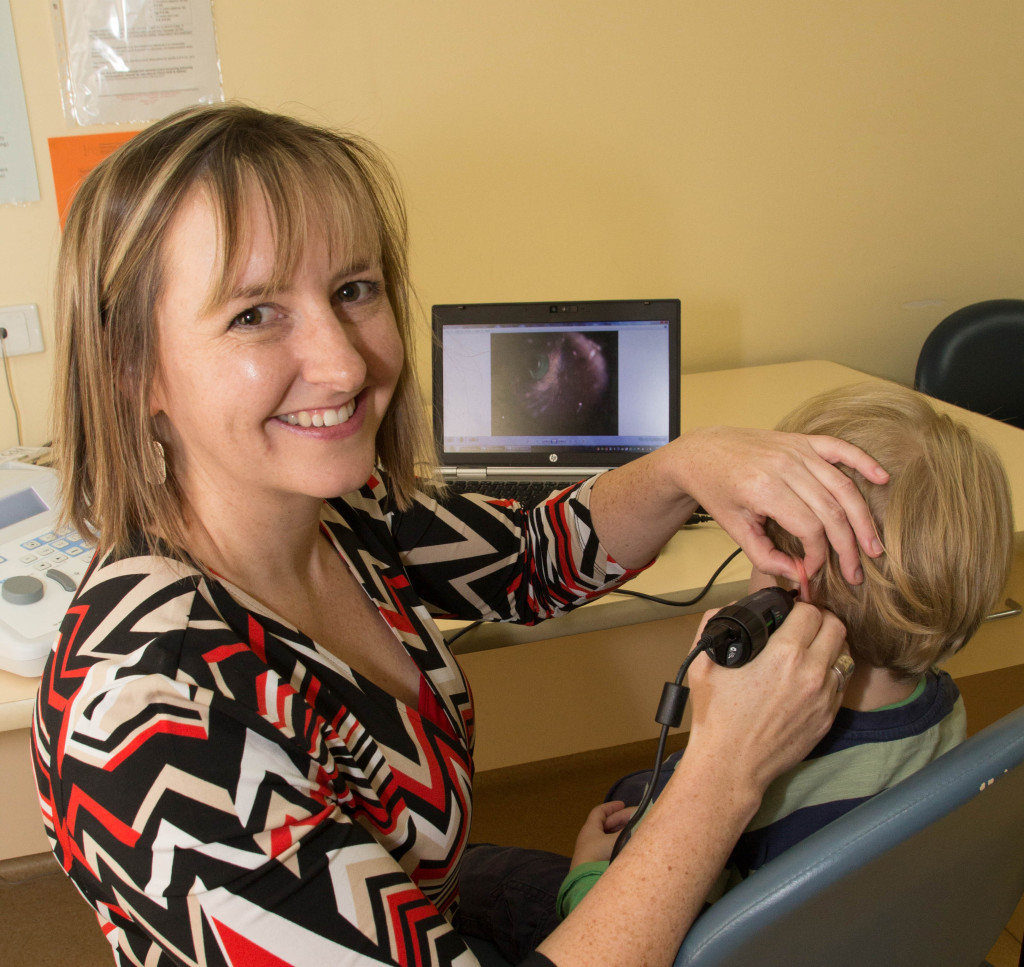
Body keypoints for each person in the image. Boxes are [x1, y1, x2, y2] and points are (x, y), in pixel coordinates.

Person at [31, 102, 887, 967]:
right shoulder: (150, 724)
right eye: (255, 313)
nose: (345, 363)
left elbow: (533, 559)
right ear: (131, 367)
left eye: (353, 291)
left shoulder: (339, 510)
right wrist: (722, 776)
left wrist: (684, 466)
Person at [560, 381, 1014, 919]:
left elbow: (631, 929)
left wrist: (587, 876)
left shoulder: (751, 782)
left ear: (791, 587)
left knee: (492, 879)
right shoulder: (941, 704)